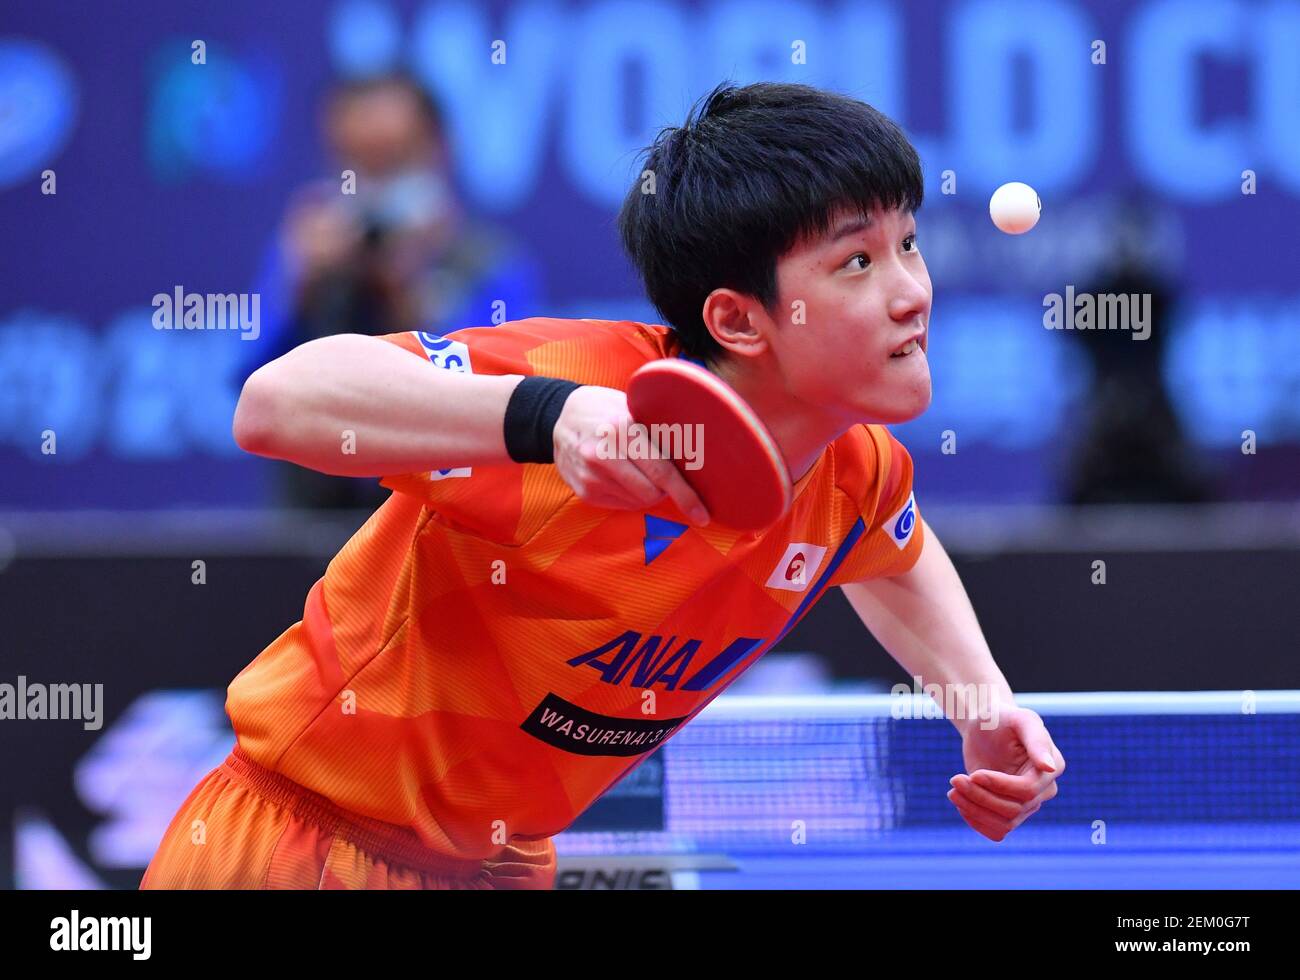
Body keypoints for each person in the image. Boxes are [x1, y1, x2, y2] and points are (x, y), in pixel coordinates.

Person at [142, 81, 1065, 890]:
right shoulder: (586, 385)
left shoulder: (852, 469)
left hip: (499, 862)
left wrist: (979, 704)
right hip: (304, 847)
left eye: (910, 244)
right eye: (858, 261)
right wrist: (550, 420)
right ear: (738, 320)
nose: (913, 292)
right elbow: (274, 402)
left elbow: (893, 551)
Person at [259, 73, 542, 510]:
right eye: (357, 164)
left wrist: (406, 295)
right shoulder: (308, 258)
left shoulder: (491, 264)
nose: (375, 183)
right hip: (309, 525)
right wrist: (301, 287)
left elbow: (503, 401)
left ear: (439, 150)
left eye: (392, 161)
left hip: (440, 520)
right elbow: (249, 387)